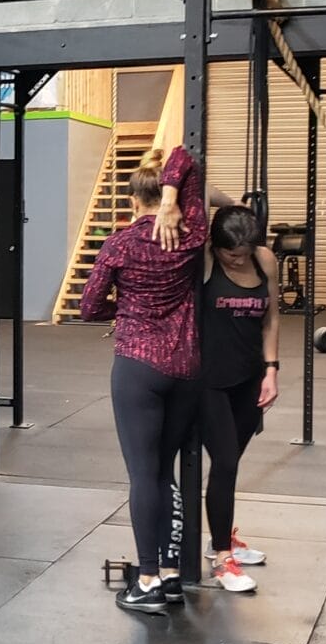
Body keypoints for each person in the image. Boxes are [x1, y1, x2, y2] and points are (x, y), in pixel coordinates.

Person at [79, 146, 207, 614]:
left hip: (138, 366)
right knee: (164, 470)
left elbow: (89, 307)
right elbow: (183, 154)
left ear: (135, 199)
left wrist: (126, 310)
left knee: (143, 475)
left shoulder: (120, 244)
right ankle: (172, 575)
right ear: (170, 197)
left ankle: (148, 578)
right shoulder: (192, 234)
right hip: (186, 369)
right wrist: (175, 198)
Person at [200, 205, 279, 593]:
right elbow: (196, 189)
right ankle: (220, 557)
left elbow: (272, 318)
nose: (238, 259)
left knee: (229, 464)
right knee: (226, 462)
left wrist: (271, 369)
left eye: (244, 252)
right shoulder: (204, 259)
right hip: (207, 382)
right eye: (232, 253)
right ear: (216, 245)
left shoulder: (264, 261)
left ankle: (224, 537)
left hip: (249, 379)